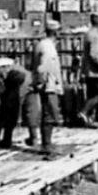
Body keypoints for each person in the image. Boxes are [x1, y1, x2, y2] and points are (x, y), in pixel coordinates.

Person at [27, 20, 64, 156]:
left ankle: (46, 143)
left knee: (48, 114)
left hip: (48, 84)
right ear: (55, 32)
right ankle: (46, 145)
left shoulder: (43, 44)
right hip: (49, 85)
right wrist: (42, 83)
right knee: (51, 115)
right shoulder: (48, 47)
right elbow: (42, 68)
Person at [0, 57, 29, 149]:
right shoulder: (18, 72)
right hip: (12, 96)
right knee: (9, 119)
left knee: (2, 118)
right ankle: (4, 140)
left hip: (9, 96)